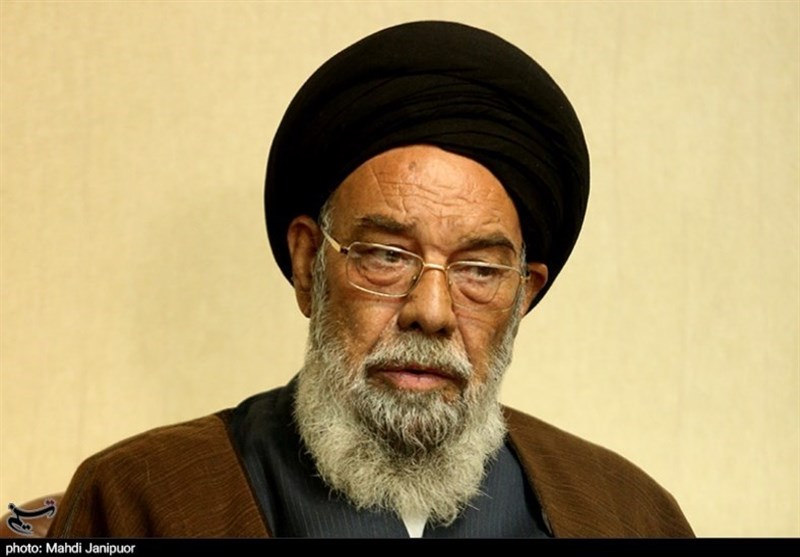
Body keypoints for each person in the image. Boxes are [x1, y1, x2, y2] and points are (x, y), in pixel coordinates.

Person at [45, 20, 694, 538]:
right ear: (308, 263)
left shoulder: (626, 513)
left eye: (478, 269)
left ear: (524, 295)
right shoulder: (141, 498)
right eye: (387, 256)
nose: (431, 312)